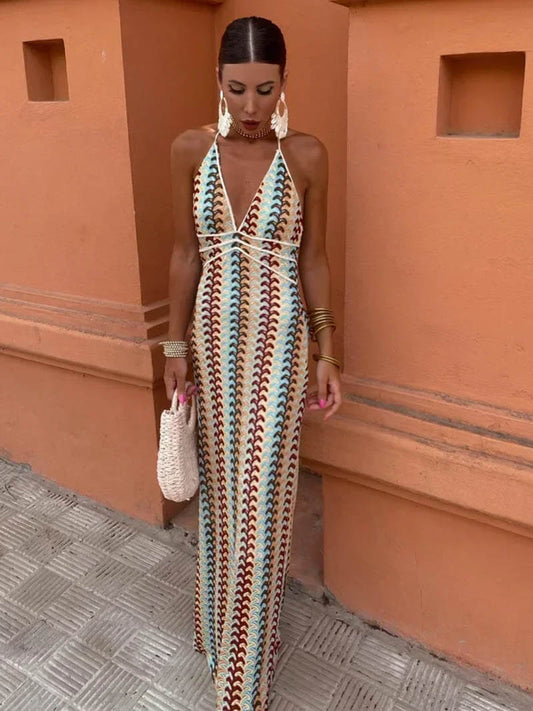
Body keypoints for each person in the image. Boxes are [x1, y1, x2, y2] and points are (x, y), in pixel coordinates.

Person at [162, 15, 343, 710]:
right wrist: (173, 347)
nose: (249, 107)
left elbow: (313, 259)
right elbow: (185, 254)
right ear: (217, 80)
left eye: (264, 90)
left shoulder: (306, 156)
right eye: (236, 89)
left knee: (263, 502)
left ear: (283, 83)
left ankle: (243, 680)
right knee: (220, 496)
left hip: (280, 349)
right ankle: (219, 630)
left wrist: (327, 351)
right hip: (209, 342)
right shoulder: (189, 150)